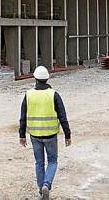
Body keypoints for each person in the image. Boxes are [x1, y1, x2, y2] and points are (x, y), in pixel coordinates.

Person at [19, 66, 71, 200]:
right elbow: (62, 116)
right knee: (52, 161)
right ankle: (46, 185)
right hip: (50, 135)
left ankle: (41, 190)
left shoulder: (28, 94)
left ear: (35, 78)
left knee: (39, 163)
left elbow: (23, 116)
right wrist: (67, 135)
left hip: (35, 135)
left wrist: (22, 135)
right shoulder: (53, 94)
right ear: (47, 78)